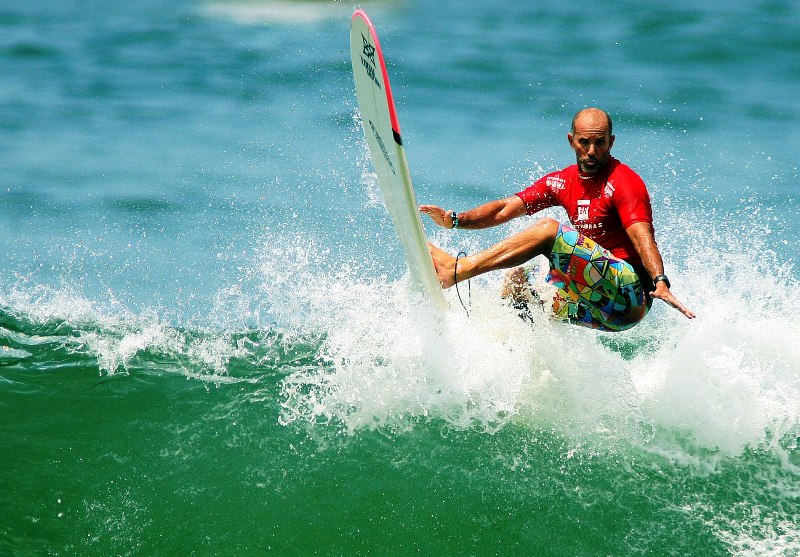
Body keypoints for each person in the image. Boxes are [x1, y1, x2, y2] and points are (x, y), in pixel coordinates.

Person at [419, 107, 695, 331]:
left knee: (549, 231)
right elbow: (505, 208)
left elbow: (641, 235)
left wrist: (660, 280)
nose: (591, 150)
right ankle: (501, 353)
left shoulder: (624, 182)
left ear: (611, 142)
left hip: (629, 295)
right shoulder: (562, 182)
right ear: (571, 140)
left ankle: (459, 269)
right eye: (584, 142)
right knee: (520, 288)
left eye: (600, 143)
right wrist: (455, 220)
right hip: (595, 306)